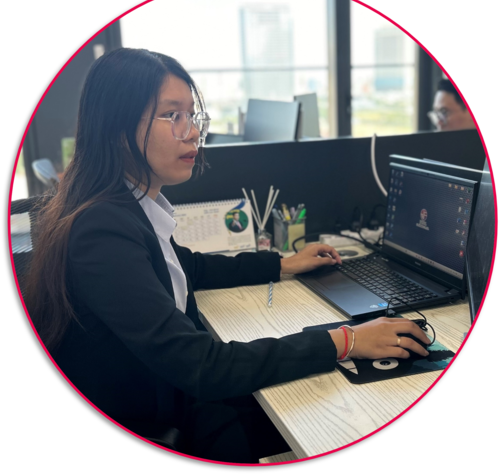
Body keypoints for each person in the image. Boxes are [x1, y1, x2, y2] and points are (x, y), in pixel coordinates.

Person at [24, 48, 430, 463]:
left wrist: (281, 264)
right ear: (116, 127)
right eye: (172, 115)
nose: (192, 133)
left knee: (331, 396)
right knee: (342, 411)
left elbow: (190, 267)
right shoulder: (102, 231)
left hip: (171, 394)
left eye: (192, 115)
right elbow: (203, 366)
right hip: (157, 416)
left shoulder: (128, 207)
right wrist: (345, 340)